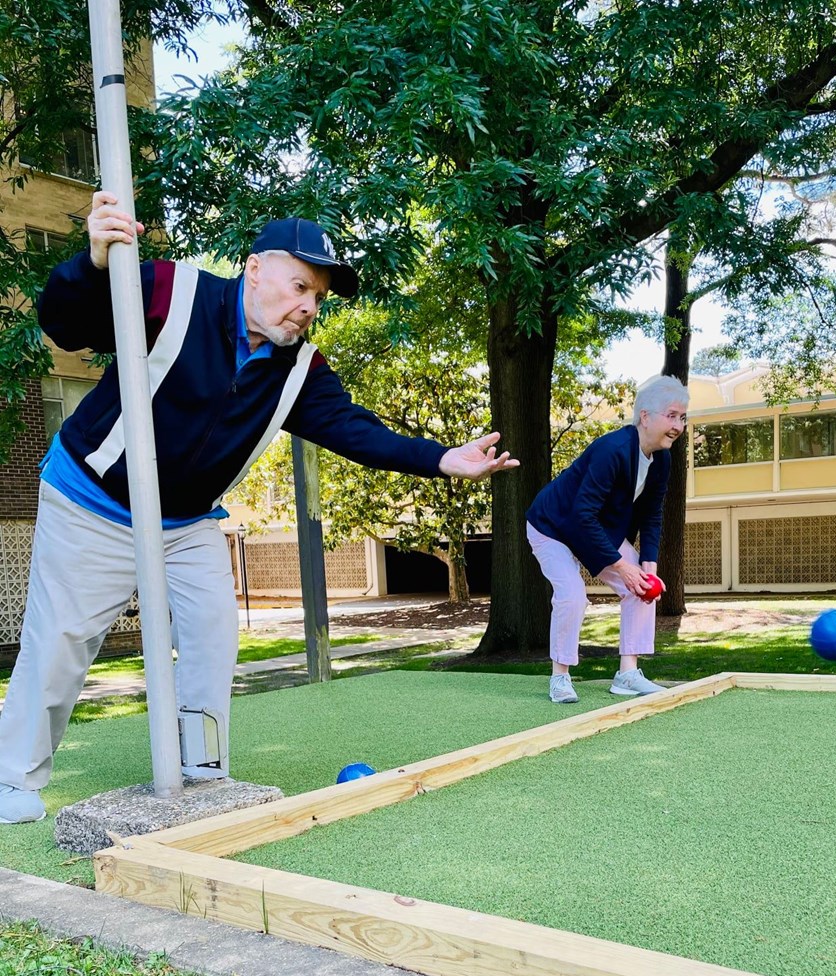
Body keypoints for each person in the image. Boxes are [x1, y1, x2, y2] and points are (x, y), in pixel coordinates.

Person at [0, 193, 517, 823]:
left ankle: (203, 769)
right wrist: (91, 262)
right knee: (60, 642)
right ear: (254, 270)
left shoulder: (299, 368)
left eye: (319, 298)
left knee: (214, 634)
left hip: (187, 522)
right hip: (91, 501)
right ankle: (13, 779)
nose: (308, 307)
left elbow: (355, 430)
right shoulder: (172, 291)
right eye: (300, 285)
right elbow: (67, 324)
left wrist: (440, 459)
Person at [525, 374, 687, 703]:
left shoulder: (662, 459)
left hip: (594, 528)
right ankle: (560, 677)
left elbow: (652, 513)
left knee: (642, 586)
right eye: (671, 415)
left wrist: (648, 565)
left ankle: (627, 674)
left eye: (683, 418)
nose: (678, 425)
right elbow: (579, 516)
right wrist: (621, 567)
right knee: (572, 594)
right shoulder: (611, 450)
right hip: (552, 525)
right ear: (645, 416)